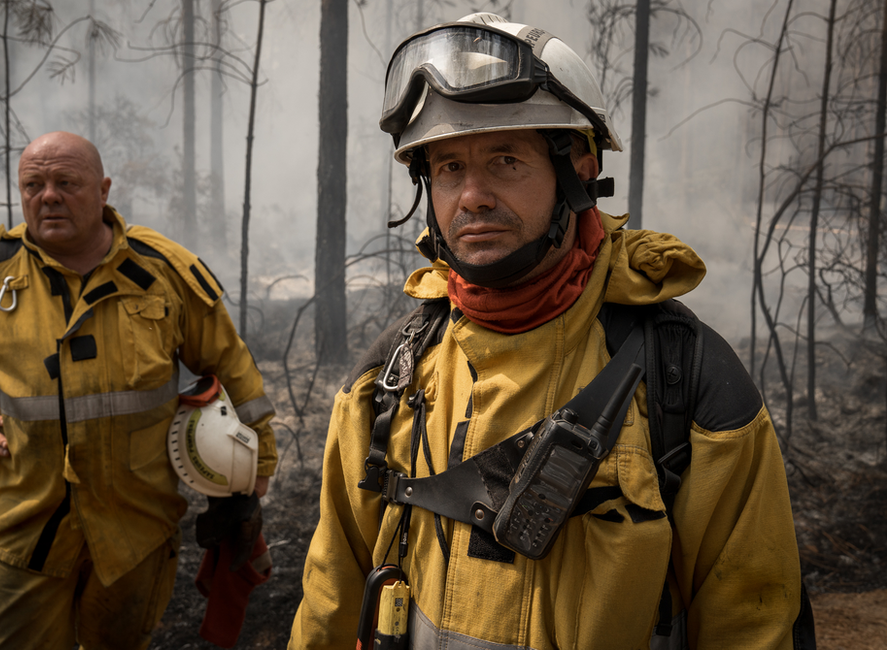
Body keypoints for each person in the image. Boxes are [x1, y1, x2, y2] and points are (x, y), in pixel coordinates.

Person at [290, 13, 812, 650]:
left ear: (579, 167)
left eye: (505, 160)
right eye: (450, 168)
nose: (472, 195)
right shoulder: (389, 380)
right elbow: (330, 602)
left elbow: (750, 625)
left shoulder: (688, 383)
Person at [0, 131, 277, 649]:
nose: (49, 196)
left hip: (136, 529)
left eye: (66, 182)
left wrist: (256, 467)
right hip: (29, 530)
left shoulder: (162, 273)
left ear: (103, 189)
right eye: (33, 185)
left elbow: (231, 368)